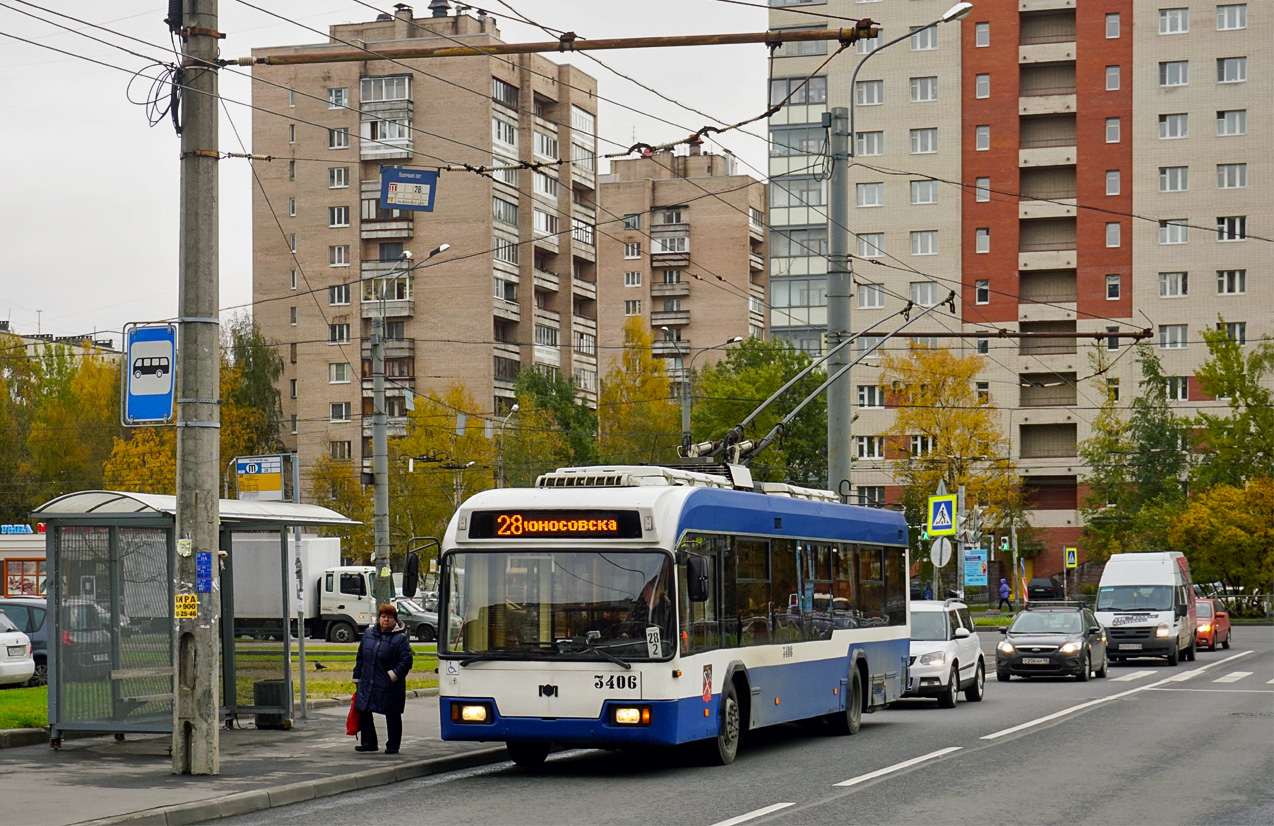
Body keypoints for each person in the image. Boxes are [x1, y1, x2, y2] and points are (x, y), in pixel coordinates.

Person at [352, 604, 413, 755]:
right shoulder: (368, 633)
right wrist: (357, 675)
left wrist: (393, 675)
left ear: (395, 620)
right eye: (383, 617)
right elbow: (361, 656)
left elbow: (406, 661)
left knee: (392, 713)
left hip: (389, 683)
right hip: (368, 680)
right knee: (364, 709)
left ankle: (393, 745)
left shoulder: (400, 638)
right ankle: (369, 743)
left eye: (389, 617)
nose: (386, 620)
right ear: (379, 618)